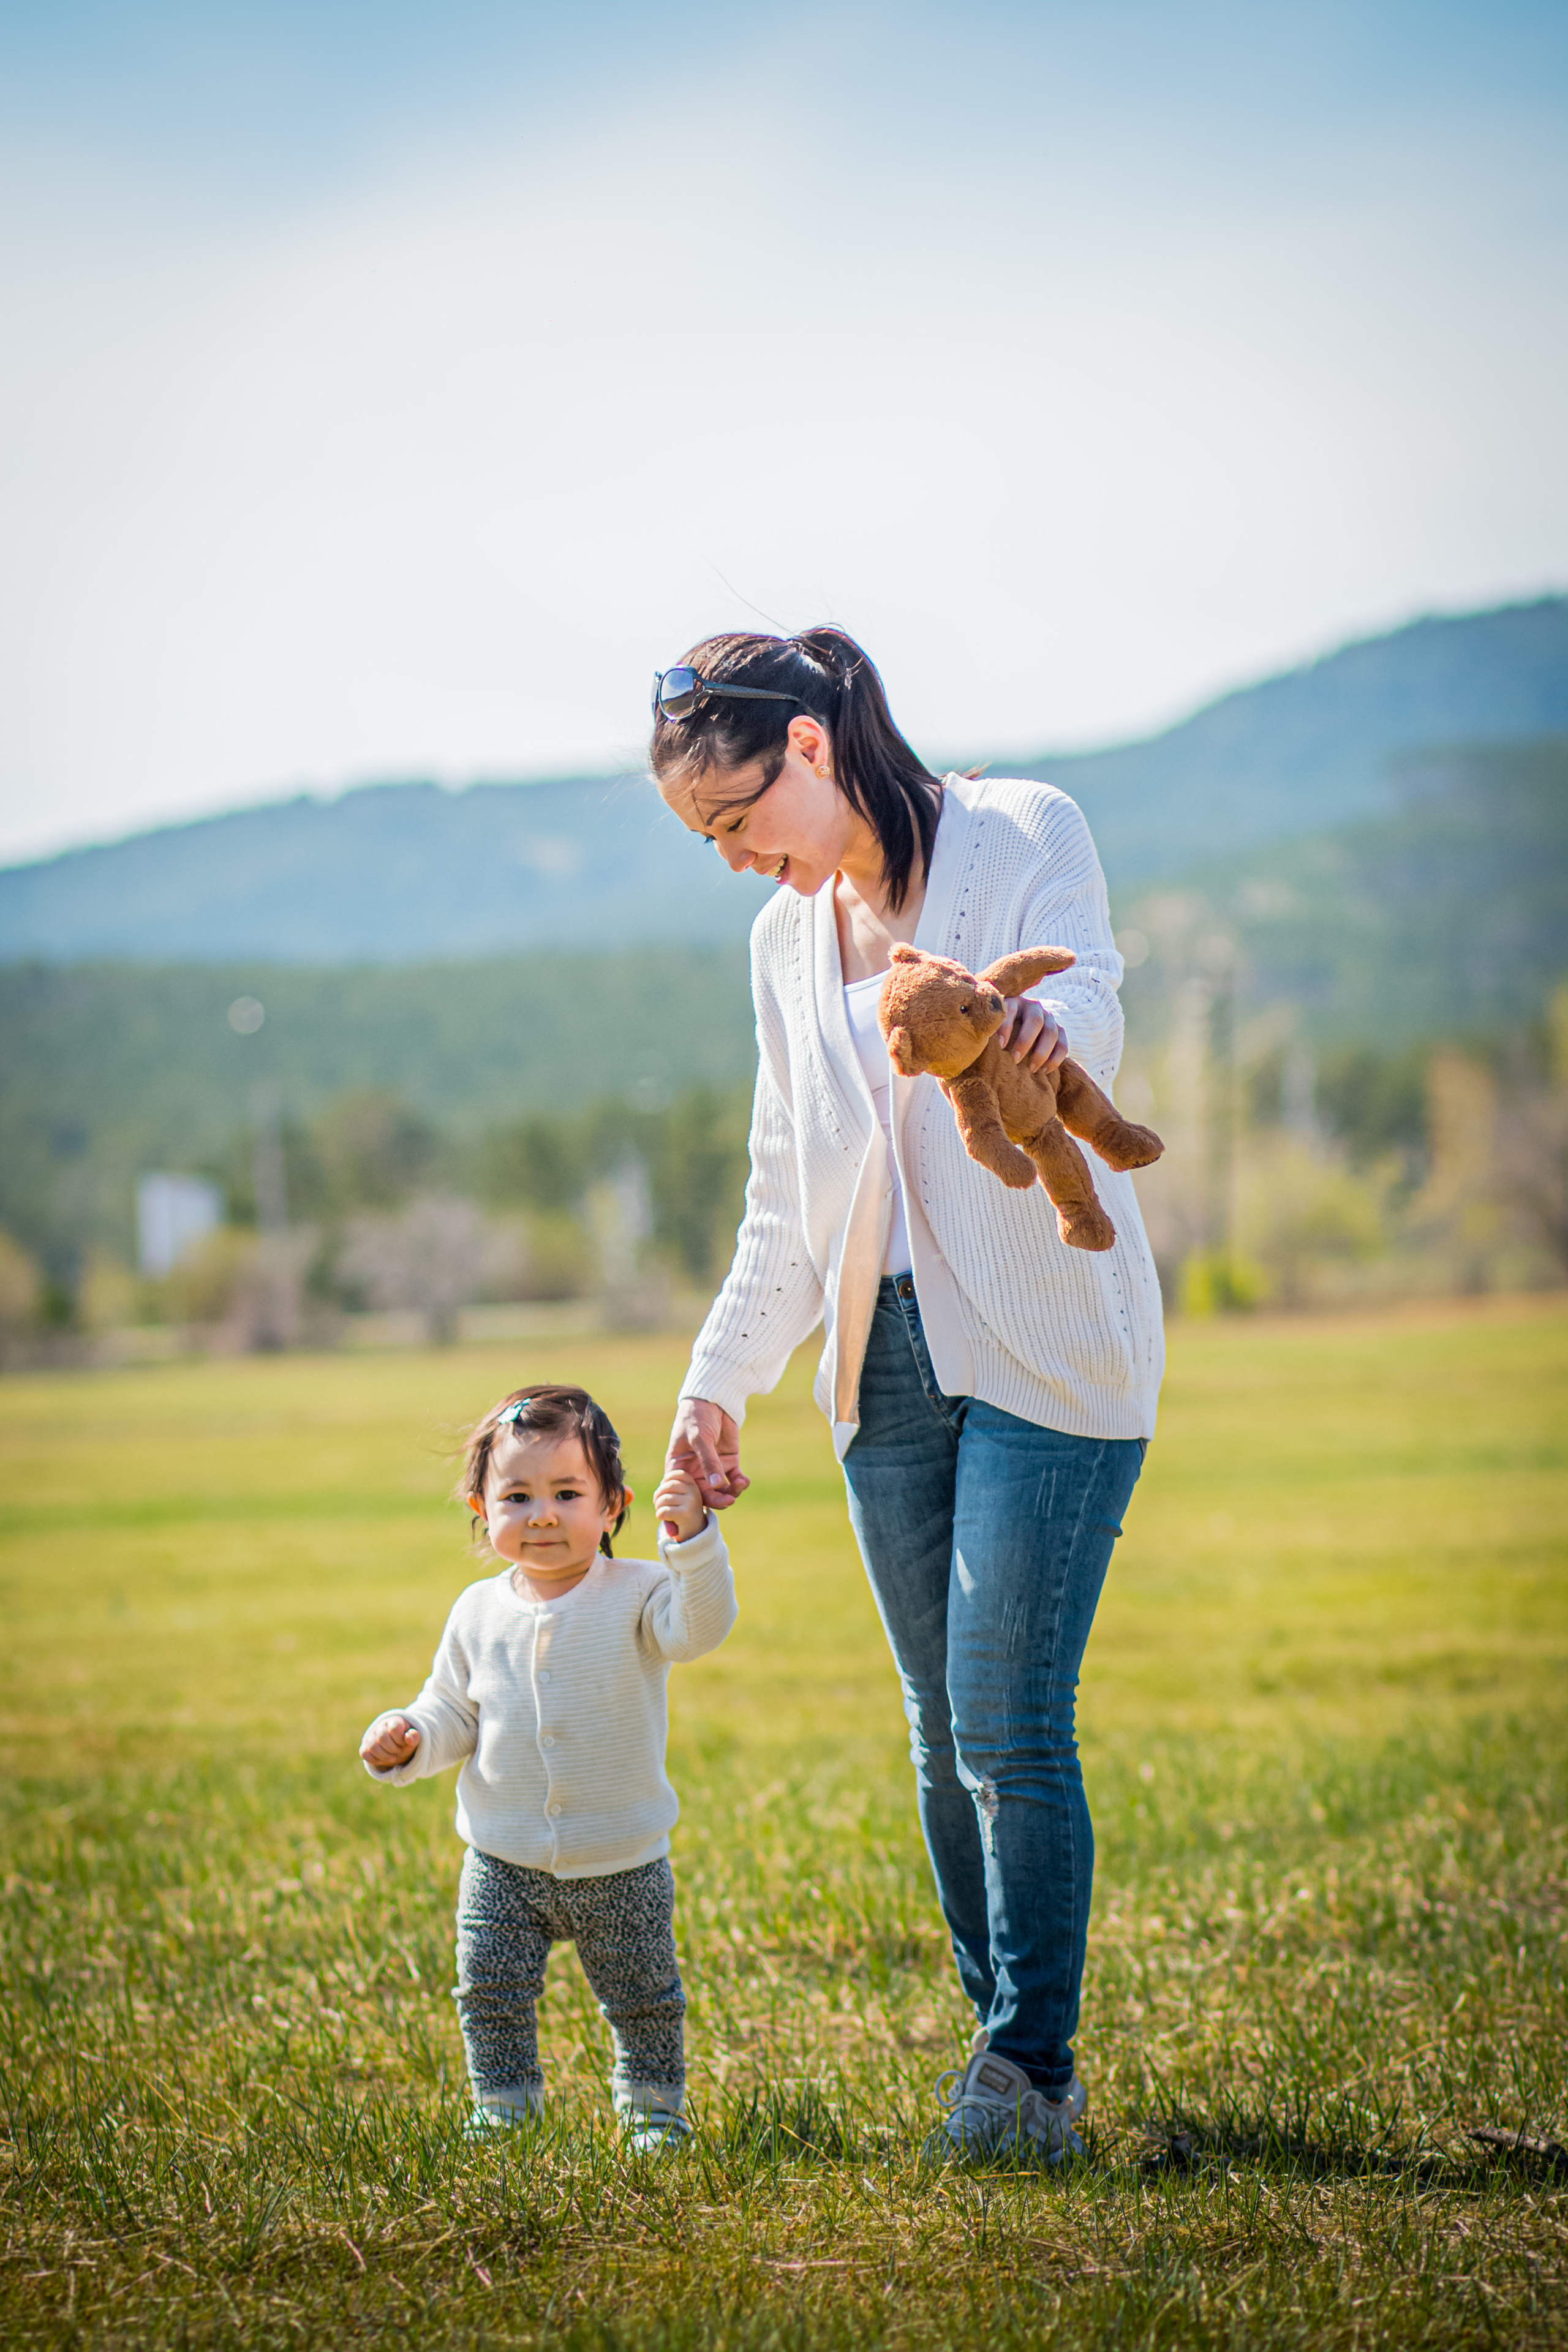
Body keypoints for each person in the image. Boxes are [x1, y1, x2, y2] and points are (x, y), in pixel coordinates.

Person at [652, 628, 1163, 2165]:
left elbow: (1093, 999)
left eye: (735, 817)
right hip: (876, 1364)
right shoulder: (780, 945)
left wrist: (1044, 1038)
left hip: (1045, 1338)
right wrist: (716, 1381)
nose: (730, 858)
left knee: (1006, 1716)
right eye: (701, 837)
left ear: (808, 747)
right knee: (940, 1733)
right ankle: (1001, 2050)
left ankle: (1026, 2073)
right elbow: (784, 1188)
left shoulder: (1020, 831)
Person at [359, 1382, 736, 2152]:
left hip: (620, 1858)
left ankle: (654, 2113)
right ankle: (504, 2106)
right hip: (502, 1856)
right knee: (488, 1991)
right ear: (481, 1507)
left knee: (643, 1998)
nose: (541, 1515)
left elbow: (700, 1630)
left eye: (567, 1494)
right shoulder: (476, 1612)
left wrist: (693, 1540)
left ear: (612, 1506)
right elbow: (452, 1711)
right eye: (517, 1497)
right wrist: (409, 1735)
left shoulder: (640, 1593)